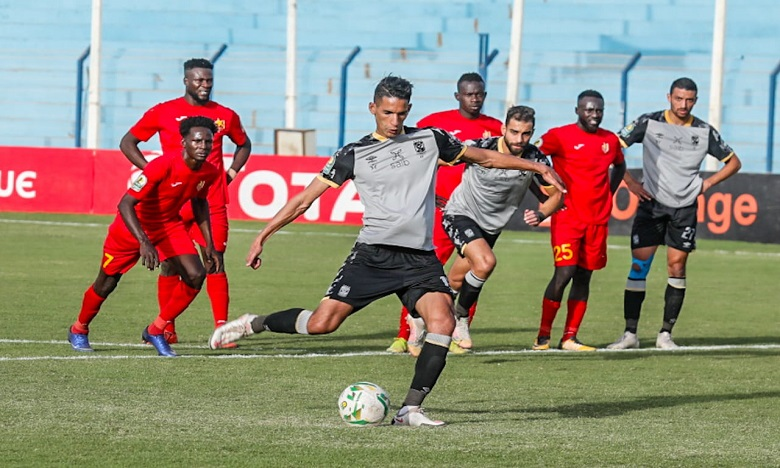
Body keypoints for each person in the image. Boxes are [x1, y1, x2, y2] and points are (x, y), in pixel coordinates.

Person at [208, 76, 566, 427]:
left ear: (408, 110)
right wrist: (263, 235)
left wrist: (536, 165)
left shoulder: (431, 139)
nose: (394, 121)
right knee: (321, 324)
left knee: (441, 322)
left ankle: (410, 409)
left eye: (400, 113)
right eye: (387, 113)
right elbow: (305, 199)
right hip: (373, 255)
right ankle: (254, 323)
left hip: (420, 259)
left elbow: (484, 158)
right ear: (373, 109)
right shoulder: (353, 153)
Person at [119, 58, 252, 346]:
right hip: (173, 204)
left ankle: (223, 330)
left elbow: (244, 144)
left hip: (210, 201)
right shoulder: (163, 111)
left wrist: (229, 174)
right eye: (199, 80)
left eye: (209, 80)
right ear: (185, 80)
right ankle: (166, 328)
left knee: (214, 259)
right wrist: (152, 173)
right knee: (170, 266)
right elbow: (128, 142)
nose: (205, 85)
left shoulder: (226, 116)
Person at [68, 117, 221, 357]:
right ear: (184, 142)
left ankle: (156, 330)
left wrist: (209, 244)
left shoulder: (209, 172)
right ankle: (79, 328)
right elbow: (126, 204)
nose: (203, 146)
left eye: (208, 142)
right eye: (197, 141)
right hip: (131, 229)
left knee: (196, 274)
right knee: (107, 283)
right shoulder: (161, 165)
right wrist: (144, 242)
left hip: (168, 226)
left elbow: (200, 202)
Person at [607, 77, 741, 350]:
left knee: (677, 266)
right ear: (669, 97)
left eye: (689, 99)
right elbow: (612, 148)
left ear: (696, 100)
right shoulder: (649, 122)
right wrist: (630, 183)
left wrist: (707, 184)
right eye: (679, 98)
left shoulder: (704, 131)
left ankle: (665, 334)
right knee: (639, 266)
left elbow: (734, 162)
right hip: (651, 204)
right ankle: (630, 334)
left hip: (684, 208)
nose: (684, 104)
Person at [386, 72, 503, 356]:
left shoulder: (497, 128)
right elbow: (410, 160)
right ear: (458, 96)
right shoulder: (435, 123)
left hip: (475, 215)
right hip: (439, 212)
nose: (475, 99)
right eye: (469, 94)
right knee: (423, 273)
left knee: (475, 271)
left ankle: (456, 335)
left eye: (480, 94)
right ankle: (405, 334)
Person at [442, 105, 563, 349]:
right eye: (515, 132)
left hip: (490, 227)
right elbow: (440, 160)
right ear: (503, 129)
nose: (519, 139)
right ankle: (461, 319)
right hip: (460, 213)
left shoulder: (535, 158)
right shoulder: (481, 147)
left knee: (455, 280)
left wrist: (542, 213)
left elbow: (557, 194)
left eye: (526, 134)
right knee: (486, 263)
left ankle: (423, 315)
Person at [532, 90, 626, 352]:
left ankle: (570, 337)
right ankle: (543, 336)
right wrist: (544, 194)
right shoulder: (559, 136)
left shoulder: (610, 140)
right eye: (589, 110)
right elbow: (530, 158)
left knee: (584, 278)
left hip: (597, 221)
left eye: (599, 110)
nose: (594, 115)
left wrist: (608, 192)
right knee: (564, 273)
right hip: (567, 218)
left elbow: (620, 166)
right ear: (577, 110)